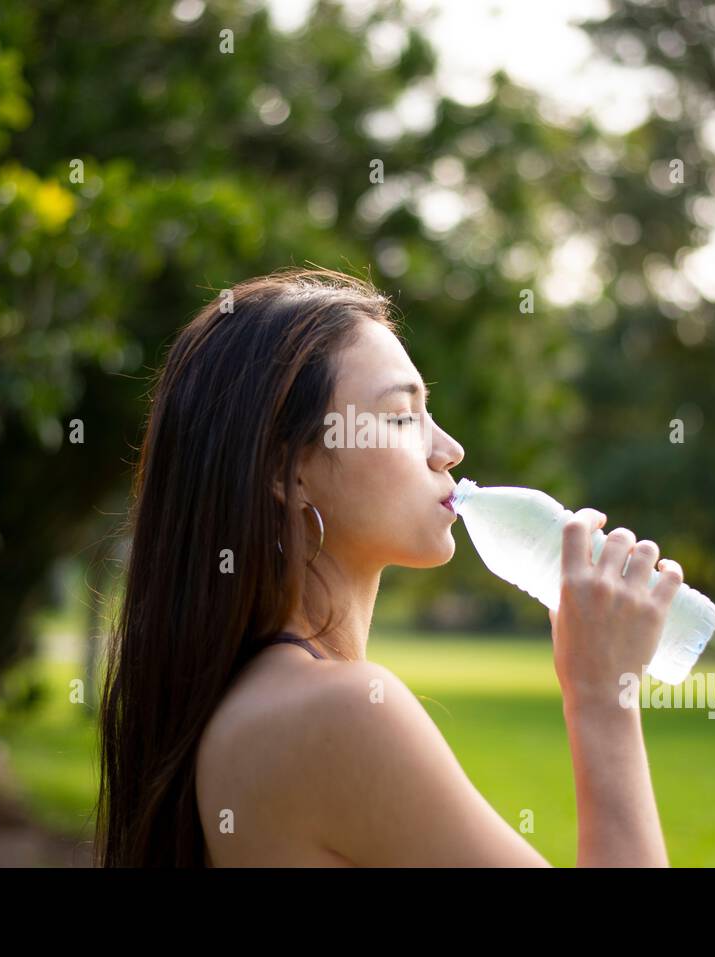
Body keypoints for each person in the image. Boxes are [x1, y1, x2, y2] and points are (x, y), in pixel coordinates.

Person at [95, 267, 684, 866]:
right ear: (284, 470)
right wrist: (603, 696)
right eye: (403, 417)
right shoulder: (339, 714)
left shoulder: (248, 698)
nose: (447, 450)